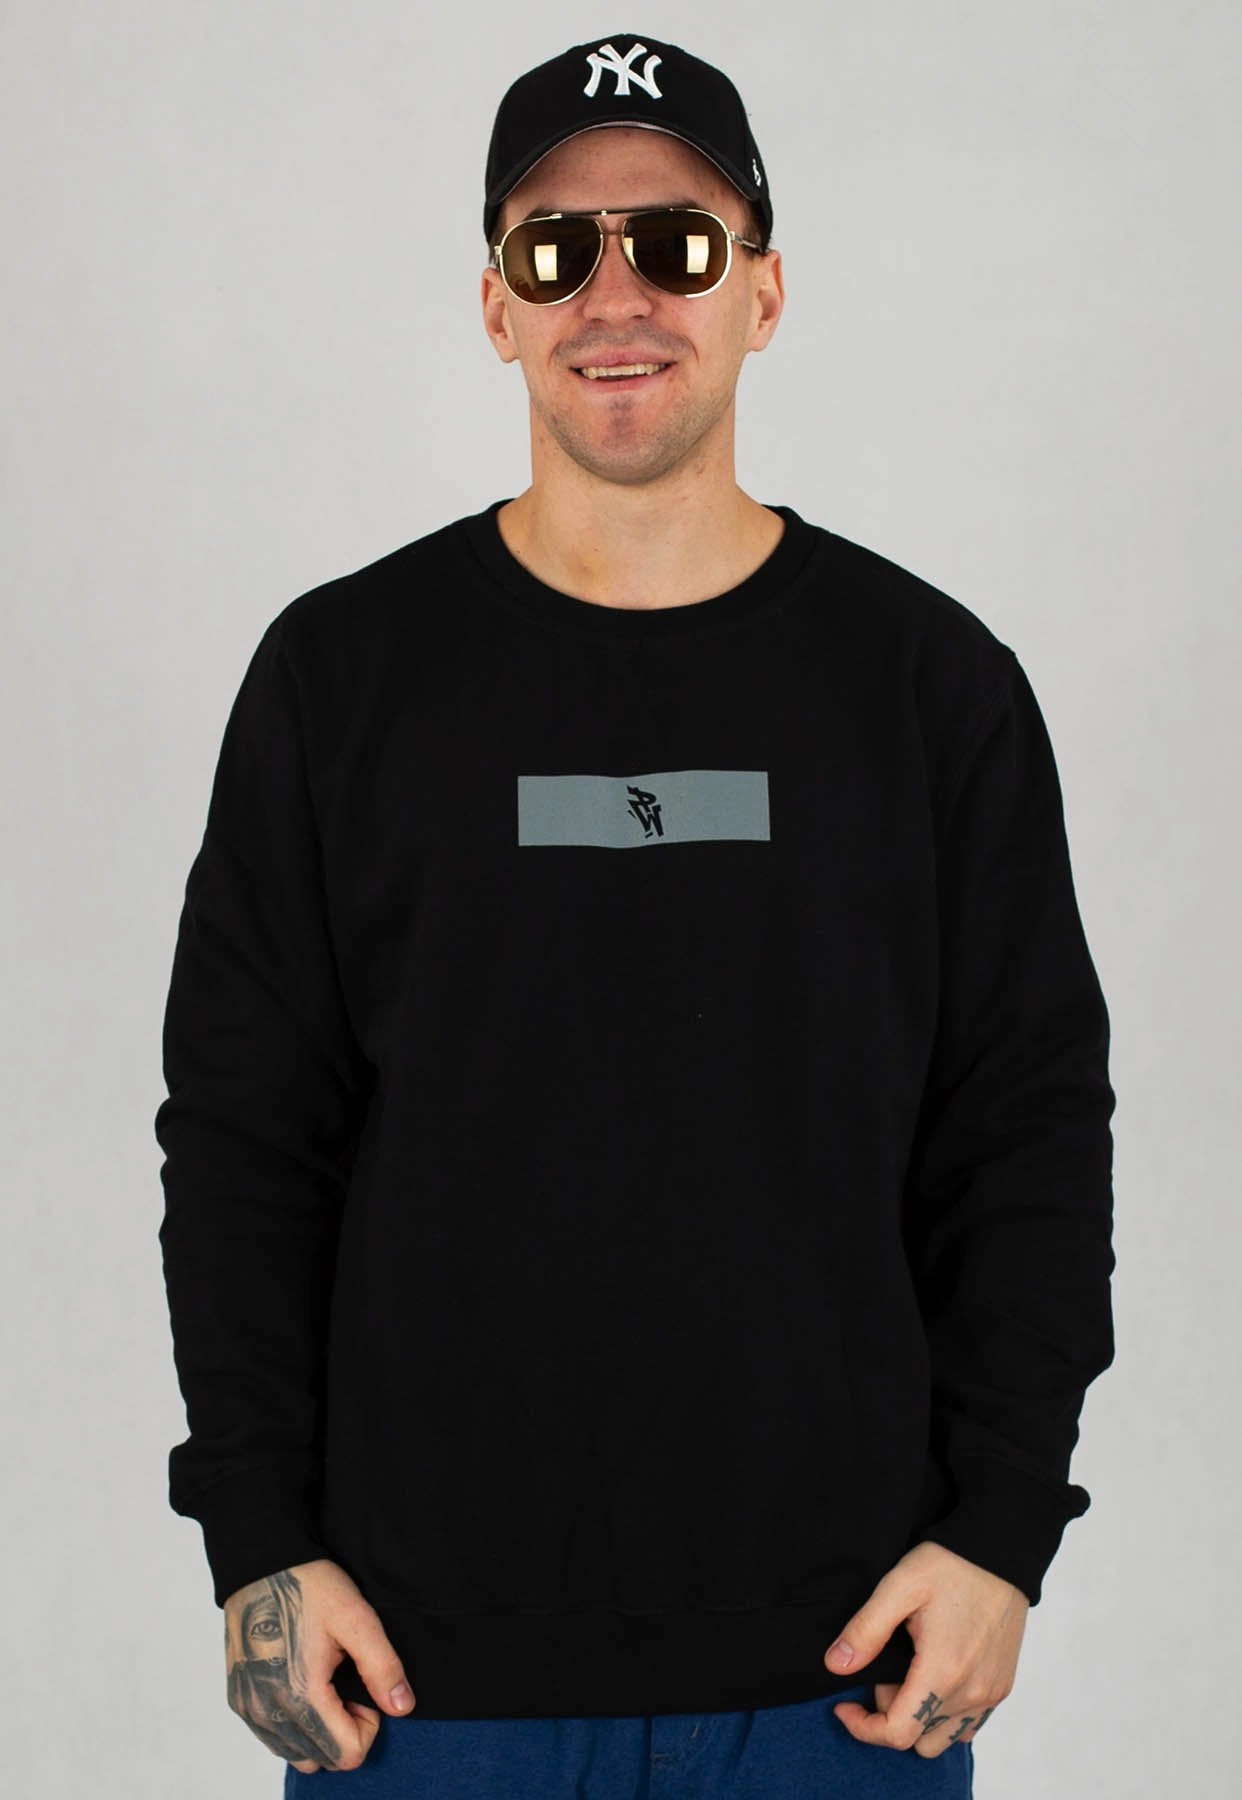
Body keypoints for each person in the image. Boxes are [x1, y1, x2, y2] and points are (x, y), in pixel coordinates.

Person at [155, 32, 1116, 1799]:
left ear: (761, 291)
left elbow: (1026, 1130)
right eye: (554, 250)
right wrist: (256, 1539)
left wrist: (1001, 1532)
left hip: (843, 1683)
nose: (616, 296)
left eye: (674, 243)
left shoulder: (926, 688)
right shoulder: (341, 680)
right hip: (422, 1684)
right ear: (495, 305)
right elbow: (242, 1141)